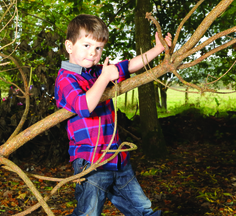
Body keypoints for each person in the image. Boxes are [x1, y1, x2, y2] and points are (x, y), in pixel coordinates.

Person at [55, 14, 171, 216]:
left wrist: (158, 49)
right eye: (87, 45)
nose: (93, 53)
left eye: (98, 48)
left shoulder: (97, 72)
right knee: (88, 213)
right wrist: (105, 77)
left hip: (117, 157)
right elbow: (84, 106)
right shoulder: (66, 79)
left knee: (143, 209)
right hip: (90, 161)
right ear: (69, 46)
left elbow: (128, 66)